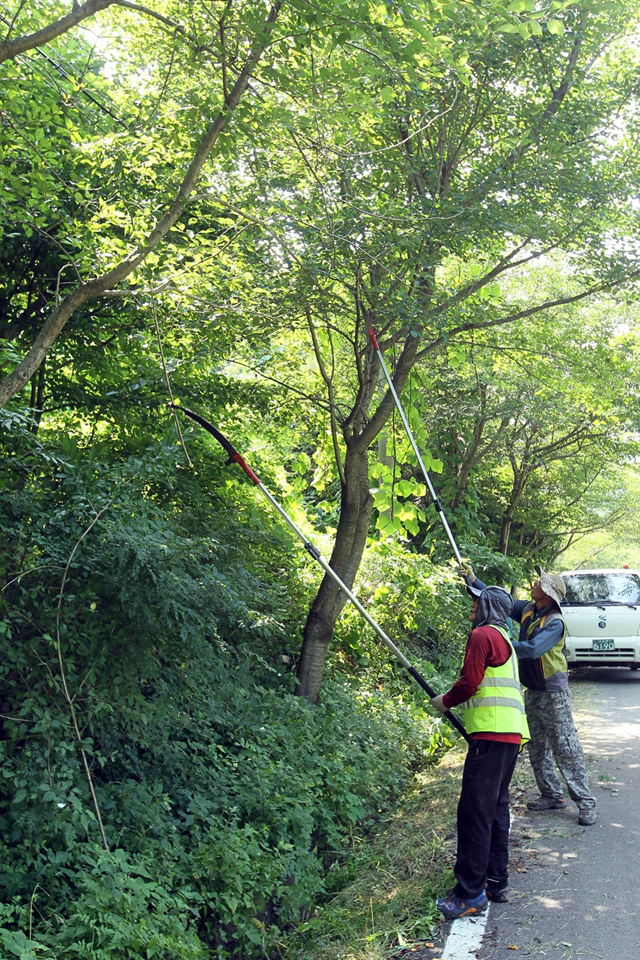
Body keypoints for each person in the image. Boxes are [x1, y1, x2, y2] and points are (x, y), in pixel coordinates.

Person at [466, 565, 596, 827]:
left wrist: (497, 643)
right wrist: (472, 579)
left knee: (565, 747)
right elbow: (498, 601)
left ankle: (585, 802)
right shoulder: (527, 609)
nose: (535, 584)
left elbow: (532, 649)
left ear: (547, 594)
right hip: (533, 690)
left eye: (540, 583)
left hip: (553, 693)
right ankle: (551, 795)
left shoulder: (555, 623)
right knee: (537, 746)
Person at [431, 582, 529, 920]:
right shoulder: (506, 641)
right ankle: (494, 880)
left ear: (488, 607)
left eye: (476, 604)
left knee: (474, 810)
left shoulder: (482, 636)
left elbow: (469, 683)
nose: (471, 610)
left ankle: (469, 893)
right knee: (496, 807)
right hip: (511, 735)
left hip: (491, 735)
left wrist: (444, 702)